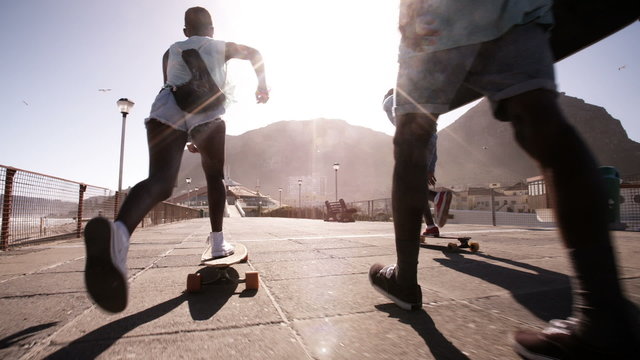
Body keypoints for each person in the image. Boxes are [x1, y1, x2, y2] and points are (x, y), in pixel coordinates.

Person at [368, 1, 638, 358]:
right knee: (540, 119)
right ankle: (602, 313)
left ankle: (405, 280)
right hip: (515, 8)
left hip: (438, 15)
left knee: (411, 142)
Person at [83, 6, 269, 314]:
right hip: (207, 115)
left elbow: (177, 90)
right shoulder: (219, 46)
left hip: (165, 110)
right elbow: (255, 53)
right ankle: (219, 241)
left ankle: (118, 238)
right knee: (214, 177)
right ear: (211, 28)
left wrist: (185, 136)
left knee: (160, 182)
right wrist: (262, 85)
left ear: (185, 31)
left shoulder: (169, 52)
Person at [383, 89, 452, 235]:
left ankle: (437, 197)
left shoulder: (391, 100)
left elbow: (393, 107)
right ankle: (431, 226)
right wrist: (430, 168)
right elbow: (433, 137)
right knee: (416, 184)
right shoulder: (421, 108)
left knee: (408, 186)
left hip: (415, 140)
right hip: (429, 138)